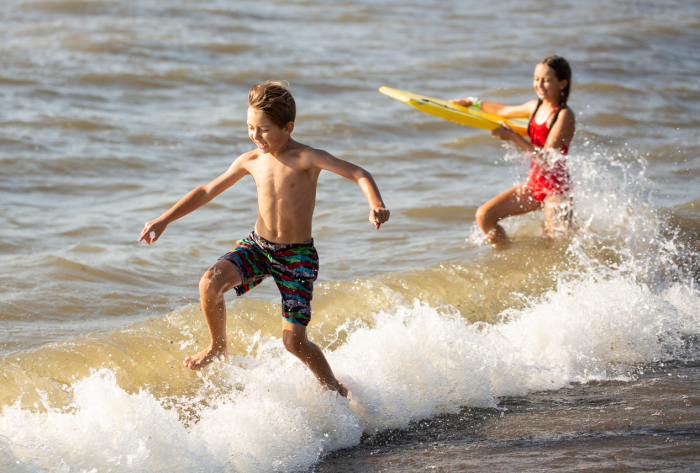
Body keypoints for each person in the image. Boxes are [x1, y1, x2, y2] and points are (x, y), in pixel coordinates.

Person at [138, 80, 390, 397]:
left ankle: (336, 390)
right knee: (209, 283)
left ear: (288, 127)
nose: (256, 136)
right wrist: (164, 219)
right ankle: (218, 345)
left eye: (264, 129)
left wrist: (376, 204)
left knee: (294, 343)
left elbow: (359, 173)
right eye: (250, 128)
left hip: (296, 257)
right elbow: (206, 191)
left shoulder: (307, 158)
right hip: (259, 246)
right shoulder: (251, 160)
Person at [450, 55, 575, 247]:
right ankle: (505, 258)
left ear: (563, 83)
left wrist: (513, 137)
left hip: (556, 189)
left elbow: (546, 158)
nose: (539, 85)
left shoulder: (564, 115)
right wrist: (473, 101)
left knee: (556, 247)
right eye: (536, 79)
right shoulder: (535, 106)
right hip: (535, 185)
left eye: (547, 80)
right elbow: (503, 111)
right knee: (485, 216)